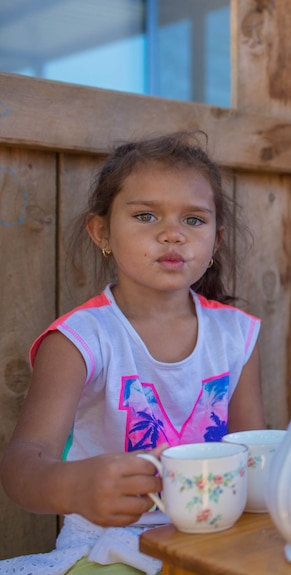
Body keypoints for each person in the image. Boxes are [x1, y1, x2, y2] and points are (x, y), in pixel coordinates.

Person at [0, 131, 265, 575]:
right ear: (101, 231)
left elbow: (251, 454)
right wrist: (73, 486)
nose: (172, 234)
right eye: (146, 215)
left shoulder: (236, 334)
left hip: (216, 539)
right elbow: (22, 464)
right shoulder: (81, 339)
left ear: (215, 242)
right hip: (107, 545)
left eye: (194, 221)